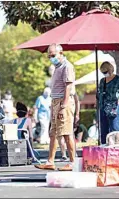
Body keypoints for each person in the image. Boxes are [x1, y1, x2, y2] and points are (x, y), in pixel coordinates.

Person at [35, 43, 76, 171]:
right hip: (55, 101)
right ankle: (50, 161)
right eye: (49, 56)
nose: (51, 58)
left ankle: (72, 162)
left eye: (53, 55)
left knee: (66, 132)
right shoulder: (57, 67)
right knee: (53, 133)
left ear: (61, 53)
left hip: (64, 101)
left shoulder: (67, 66)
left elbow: (68, 86)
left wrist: (63, 105)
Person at [98, 61, 119, 144]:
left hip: (115, 107)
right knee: (103, 130)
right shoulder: (102, 81)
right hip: (103, 107)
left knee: (114, 129)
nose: (104, 74)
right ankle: (103, 149)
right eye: (103, 72)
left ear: (110, 70)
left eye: (105, 72)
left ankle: (115, 149)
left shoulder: (118, 80)